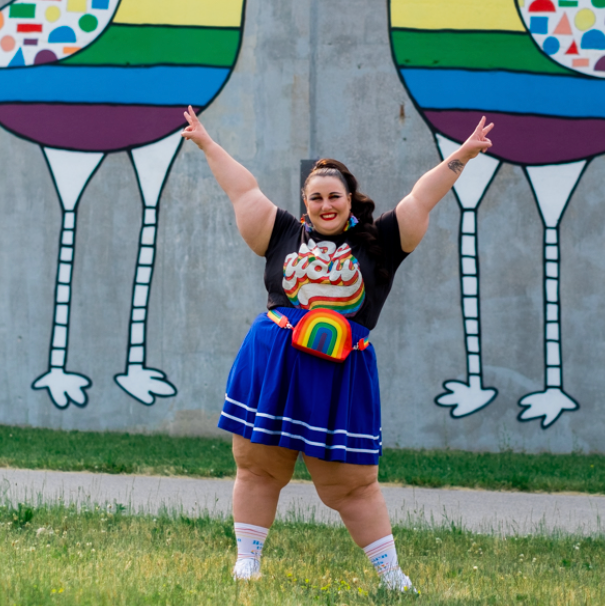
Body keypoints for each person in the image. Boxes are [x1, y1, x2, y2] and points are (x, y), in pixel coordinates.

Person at [181, 106, 494, 592]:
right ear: (304, 204)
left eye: (335, 196)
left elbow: (422, 197)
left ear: (351, 200)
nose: (326, 205)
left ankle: (393, 578)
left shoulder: (382, 242)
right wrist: (205, 142)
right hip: (274, 362)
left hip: (341, 372)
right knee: (259, 467)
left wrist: (463, 156)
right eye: (316, 198)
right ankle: (247, 562)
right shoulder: (281, 232)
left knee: (351, 485)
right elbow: (242, 188)